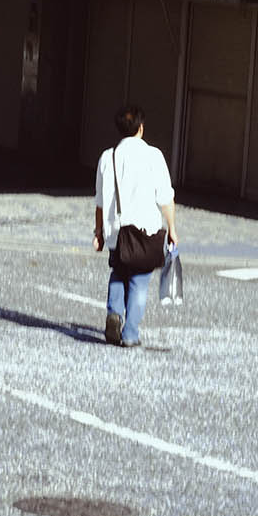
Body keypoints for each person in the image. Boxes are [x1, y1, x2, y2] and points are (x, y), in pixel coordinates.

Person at [93, 104, 178, 347]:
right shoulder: (154, 156)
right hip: (145, 230)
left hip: (117, 231)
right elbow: (165, 197)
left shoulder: (107, 157)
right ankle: (130, 333)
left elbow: (100, 202)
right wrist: (172, 228)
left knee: (118, 272)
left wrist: (98, 233)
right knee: (139, 281)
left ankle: (114, 313)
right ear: (140, 128)